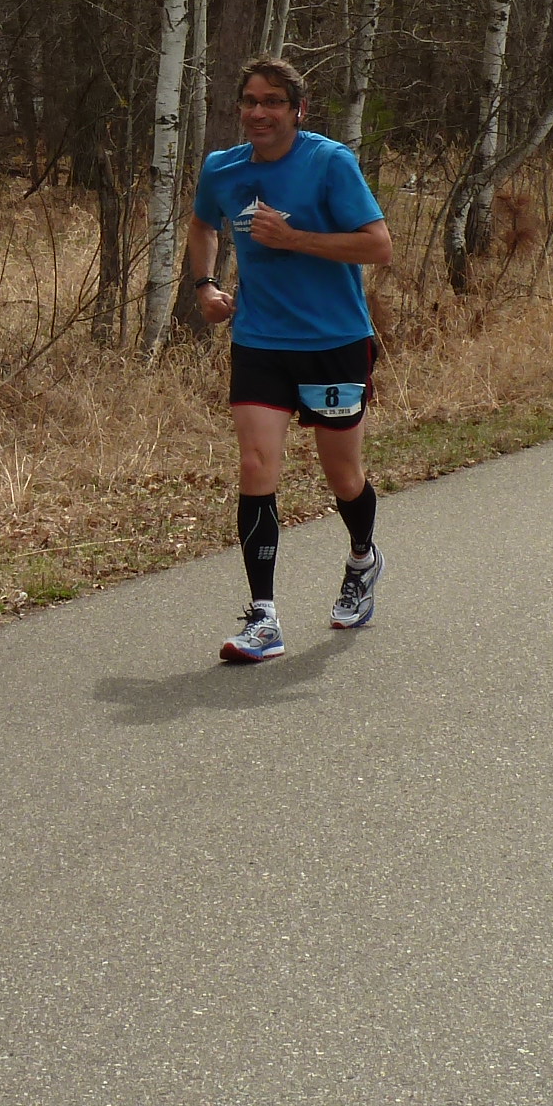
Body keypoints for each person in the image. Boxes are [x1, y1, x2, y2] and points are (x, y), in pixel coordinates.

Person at [184, 54, 394, 663]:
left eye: (272, 102)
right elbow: (202, 225)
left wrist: (293, 238)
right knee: (256, 466)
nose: (259, 113)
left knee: (343, 476)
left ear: (297, 111)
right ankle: (264, 618)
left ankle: (362, 558)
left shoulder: (330, 163)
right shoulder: (223, 168)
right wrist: (204, 286)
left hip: (333, 342)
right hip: (259, 341)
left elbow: (378, 245)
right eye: (250, 101)